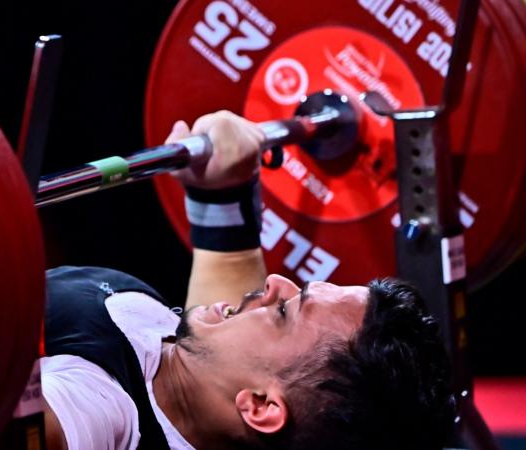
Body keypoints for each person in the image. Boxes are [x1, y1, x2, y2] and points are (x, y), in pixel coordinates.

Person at [40, 111, 455, 450]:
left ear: (260, 405)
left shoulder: (101, 409)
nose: (274, 282)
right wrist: (222, 195)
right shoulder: (193, 384)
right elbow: (234, 329)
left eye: (281, 312)